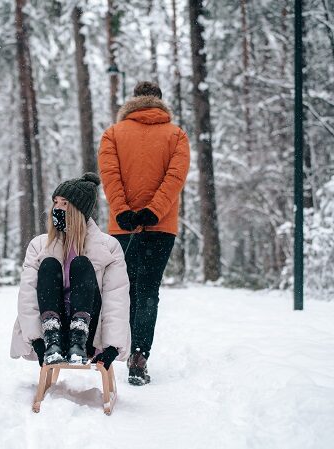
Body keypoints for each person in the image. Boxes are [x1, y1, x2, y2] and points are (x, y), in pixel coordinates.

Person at [98, 81, 190, 385]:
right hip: (161, 227)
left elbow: (110, 176)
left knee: (124, 289)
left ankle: (115, 349)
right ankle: (139, 354)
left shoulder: (113, 134)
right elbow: (175, 178)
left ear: (133, 101)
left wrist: (123, 211)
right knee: (149, 288)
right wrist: (154, 211)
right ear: (159, 103)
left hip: (121, 227)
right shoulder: (176, 136)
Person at [10, 173, 131, 370]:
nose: (57, 208)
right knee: (48, 264)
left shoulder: (109, 247)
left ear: (78, 210)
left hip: (89, 331)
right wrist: (38, 341)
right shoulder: (39, 245)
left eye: (64, 203)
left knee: (81, 264)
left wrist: (113, 346)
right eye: (55, 202)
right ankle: (53, 338)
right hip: (50, 331)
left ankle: (78, 337)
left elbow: (116, 298)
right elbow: (27, 295)